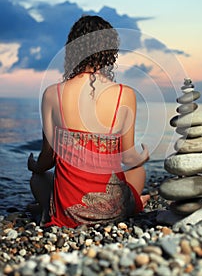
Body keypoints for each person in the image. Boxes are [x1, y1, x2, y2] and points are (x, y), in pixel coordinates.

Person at [28, 15, 150, 227]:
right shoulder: (125, 94)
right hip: (113, 210)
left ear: (74, 49)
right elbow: (129, 158)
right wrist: (143, 156)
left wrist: (35, 166)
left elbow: (48, 158)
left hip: (70, 213)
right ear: (110, 52)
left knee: (38, 179)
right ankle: (135, 203)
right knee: (138, 171)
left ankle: (47, 209)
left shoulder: (51, 94)